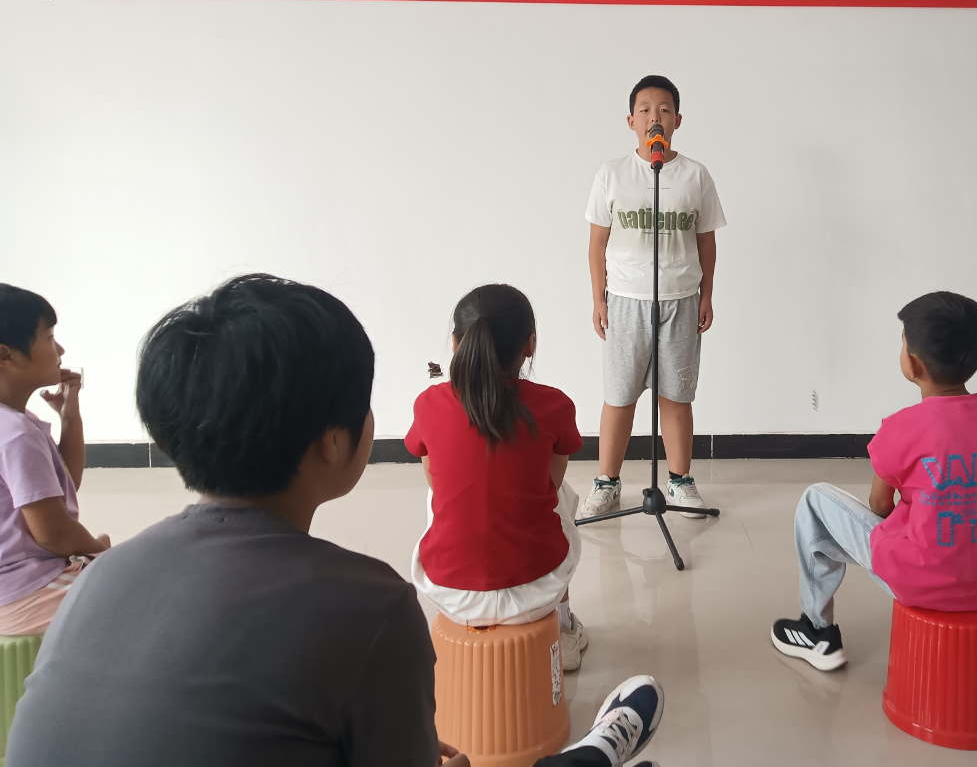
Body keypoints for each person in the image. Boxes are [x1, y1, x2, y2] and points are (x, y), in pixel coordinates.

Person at [5, 275, 664, 767]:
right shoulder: (370, 608)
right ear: (332, 441)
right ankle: (594, 752)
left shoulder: (101, 579)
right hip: (526, 585)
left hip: (450, 587)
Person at [771, 291, 977, 670]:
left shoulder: (901, 427)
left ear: (913, 363)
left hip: (925, 580)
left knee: (816, 502)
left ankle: (816, 631)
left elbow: (879, 506)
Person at [405, 285, 588, 670]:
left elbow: (434, 482)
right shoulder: (554, 404)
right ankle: (565, 631)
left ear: (455, 343)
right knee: (563, 498)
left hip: (449, 593)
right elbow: (552, 485)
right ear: (530, 345)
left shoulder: (429, 404)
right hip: (538, 591)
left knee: (441, 497)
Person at [580, 74, 727, 521]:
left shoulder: (695, 175)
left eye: (664, 109)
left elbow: (706, 242)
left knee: (676, 396)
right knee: (619, 396)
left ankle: (680, 481)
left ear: (677, 120)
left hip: (681, 299)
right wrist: (599, 299)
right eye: (644, 110)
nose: (654, 117)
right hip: (625, 299)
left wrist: (706, 294)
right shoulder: (611, 174)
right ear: (631, 121)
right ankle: (607, 483)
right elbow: (597, 244)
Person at [0, 284, 108, 636]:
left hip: (13, 584)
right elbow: (55, 534)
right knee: (146, 585)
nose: (60, 350)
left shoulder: (12, 423)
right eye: (49, 338)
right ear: (5, 355)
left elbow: (64, 487)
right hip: (24, 591)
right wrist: (102, 553)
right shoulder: (16, 434)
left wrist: (69, 417)